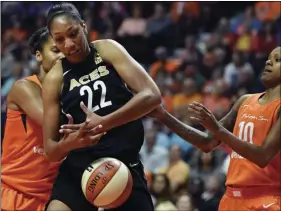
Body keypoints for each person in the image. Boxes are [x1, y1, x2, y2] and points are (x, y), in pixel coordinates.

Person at [42, 3, 161, 211]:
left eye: (73, 34)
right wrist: (69, 144)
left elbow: (152, 95)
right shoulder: (55, 78)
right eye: (60, 40)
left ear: (84, 27)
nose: (69, 44)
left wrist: (104, 122)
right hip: (80, 167)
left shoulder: (106, 50)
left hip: (122, 165)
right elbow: (51, 150)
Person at [149, 46, 281, 211]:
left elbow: (263, 156)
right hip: (231, 199)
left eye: (278, 60)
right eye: (269, 58)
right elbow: (207, 142)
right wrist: (163, 116)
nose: (269, 62)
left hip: (265, 198)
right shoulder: (245, 101)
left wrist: (218, 129)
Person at [1, 27, 103, 211]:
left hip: (54, 199)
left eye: (66, 50)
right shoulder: (24, 87)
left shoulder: (73, 94)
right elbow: (55, 126)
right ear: (39, 56)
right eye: (56, 50)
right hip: (15, 193)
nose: (63, 55)